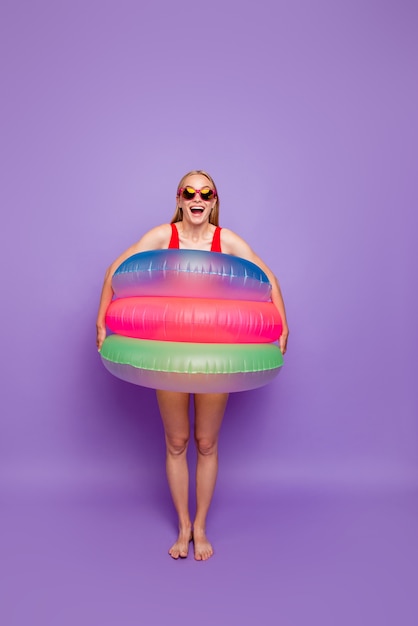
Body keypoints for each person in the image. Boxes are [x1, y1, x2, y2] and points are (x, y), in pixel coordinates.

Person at [96, 170, 289, 560]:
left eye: (206, 192)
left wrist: (283, 326)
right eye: (190, 192)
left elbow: (268, 278)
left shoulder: (226, 241)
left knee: (205, 442)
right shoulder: (161, 237)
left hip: (214, 356)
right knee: (176, 441)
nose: (197, 198)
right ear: (179, 199)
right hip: (167, 353)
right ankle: (183, 525)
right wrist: (102, 322)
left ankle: (201, 526)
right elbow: (115, 271)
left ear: (214, 201)